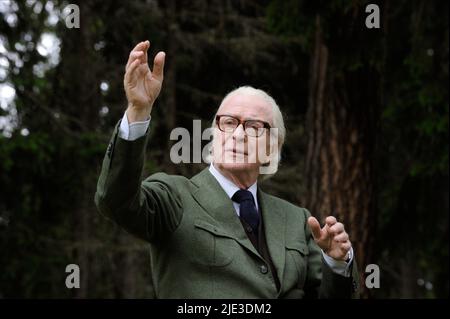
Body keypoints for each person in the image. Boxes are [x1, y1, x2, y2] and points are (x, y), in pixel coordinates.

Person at [95, 40, 360, 298]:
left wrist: (337, 263)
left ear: (271, 148)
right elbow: (115, 201)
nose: (239, 135)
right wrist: (138, 111)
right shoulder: (174, 197)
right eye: (229, 122)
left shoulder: (298, 221)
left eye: (255, 127)